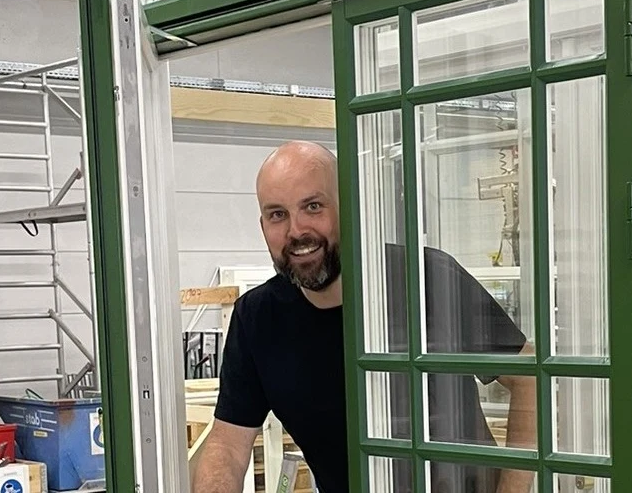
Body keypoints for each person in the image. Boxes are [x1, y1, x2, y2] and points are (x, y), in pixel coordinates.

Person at [191, 141, 536, 493]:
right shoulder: (257, 319)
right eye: (277, 214)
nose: (296, 230)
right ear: (263, 225)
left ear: (348, 208)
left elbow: (528, 376)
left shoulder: (428, 279)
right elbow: (227, 446)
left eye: (313, 206)